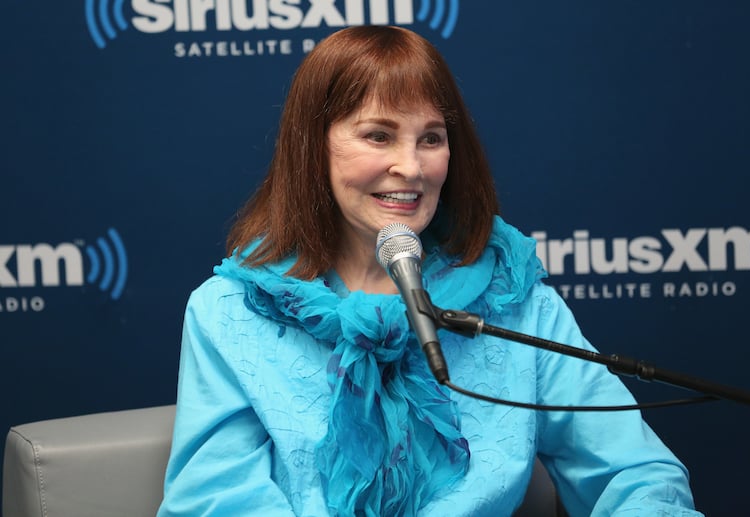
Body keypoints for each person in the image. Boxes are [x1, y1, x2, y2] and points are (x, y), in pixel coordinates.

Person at [158, 25, 702, 516]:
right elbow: (215, 500)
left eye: (431, 138)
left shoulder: (514, 300)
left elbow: (634, 472)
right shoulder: (229, 312)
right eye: (378, 135)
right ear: (312, 147)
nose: (412, 167)